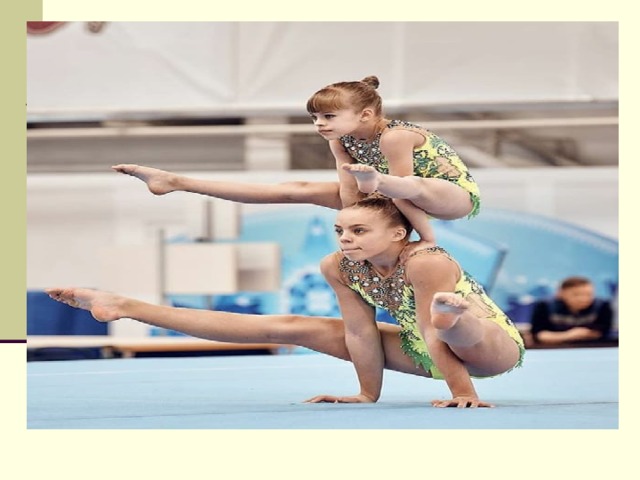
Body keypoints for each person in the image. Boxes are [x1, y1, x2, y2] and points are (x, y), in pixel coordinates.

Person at [46, 195, 524, 408]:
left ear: (398, 234)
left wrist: (463, 392)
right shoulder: (339, 266)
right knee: (297, 325)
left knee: (449, 324)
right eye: (340, 230)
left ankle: (453, 313)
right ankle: (127, 304)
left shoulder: (425, 260)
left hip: (490, 348)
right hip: (423, 347)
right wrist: (367, 394)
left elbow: (428, 332)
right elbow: (360, 333)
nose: (346, 238)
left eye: (359, 231)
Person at [112, 75, 481, 245]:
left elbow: (405, 190)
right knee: (295, 188)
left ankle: (379, 184)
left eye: (328, 117)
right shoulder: (342, 141)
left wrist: (426, 239)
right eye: (315, 118)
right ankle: (175, 181)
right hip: (385, 191)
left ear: (366, 115)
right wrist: (356, 218)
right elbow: (349, 194)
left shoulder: (395, 136)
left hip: (448, 197)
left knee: (408, 185)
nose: (319, 124)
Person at [530, 276, 613, 346]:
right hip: (553, 349)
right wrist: (569, 335)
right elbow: (540, 335)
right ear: (560, 293)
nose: (583, 299)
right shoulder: (544, 306)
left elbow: (601, 333)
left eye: (588, 294)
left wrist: (554, 336)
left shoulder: (602, 306)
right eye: (576, 294)